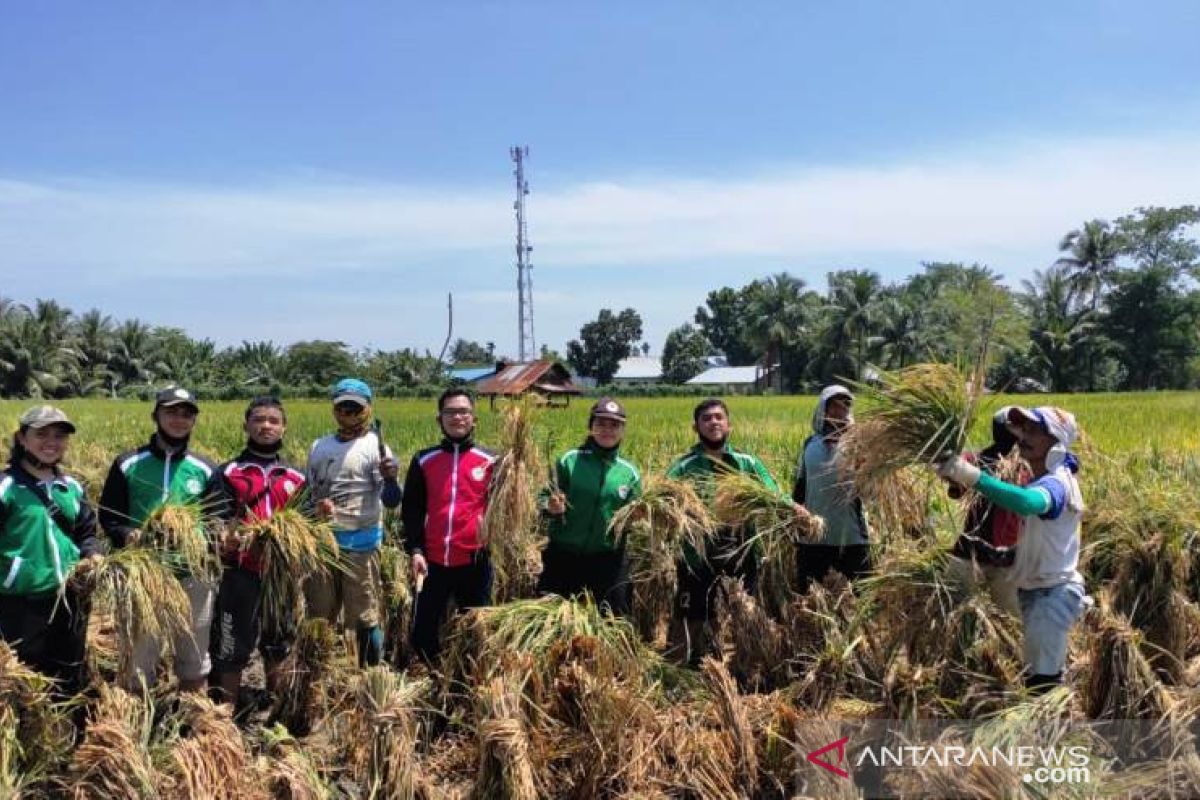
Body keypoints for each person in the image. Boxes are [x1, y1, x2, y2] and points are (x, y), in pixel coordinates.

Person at [936, 405, 1089, 693]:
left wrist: (974, 477)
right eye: (1024, 429)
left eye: (1035, 431)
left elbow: (1027, 503)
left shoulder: (1056, 483)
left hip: (1051, 597)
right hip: (1035, 592)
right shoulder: (1038, 475)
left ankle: (1053, 737)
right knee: (1035, 680)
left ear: (1056, 441)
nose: (1024, 437)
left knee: (1042, 687)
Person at [99, 386, 228, 692]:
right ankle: (134, 726)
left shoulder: (205, 468)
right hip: (143, 576)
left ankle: (195, 727)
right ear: (155, 415)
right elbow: (109, 516)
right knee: (138, 662)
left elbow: (217, 518)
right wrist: (128, 534)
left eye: (187, 414)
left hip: (192, 576)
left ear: (194, 421)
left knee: (195, 659)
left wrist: (205, 536)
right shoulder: (127, 463)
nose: (179, 419)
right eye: (171, 411)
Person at [666, 397, 798, 664]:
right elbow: (663, 497)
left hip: (739, 547)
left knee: (742, 608)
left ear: (729, 425)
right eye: (706, 418)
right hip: (697, 551)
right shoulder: (684, 467)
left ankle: (746, 665)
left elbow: (773, 494)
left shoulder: (746, 463)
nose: (713, 422)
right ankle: (693, 667)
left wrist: (797, 510)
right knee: (697, 613)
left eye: (718, 417)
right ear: (696, 427)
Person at [210, 396, 306, 707]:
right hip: (240, 572)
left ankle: (276, 708)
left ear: (284, 427)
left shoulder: (297, 476)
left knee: (279, 641)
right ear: (246, 425)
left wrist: (321, 515)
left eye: (274, 421)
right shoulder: (228, 472)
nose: (266, 425)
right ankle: (227, 710)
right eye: (259, 419)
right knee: (231, 644)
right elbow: (215, 517)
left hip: (280, 574)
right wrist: (227, 536)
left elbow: (307, 521)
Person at [0, 406, 100, 696]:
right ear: (21, 438)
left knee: (68, 676)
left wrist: (92, 554)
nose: (51, 442)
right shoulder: (6, 487)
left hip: (71, 598)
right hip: (21, 602)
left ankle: (66, 737)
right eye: (41, 434)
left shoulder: (71, 488)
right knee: (22, 680)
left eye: (59, 436)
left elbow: (86, 532)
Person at [304, 378, 401, 667]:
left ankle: (369, 673)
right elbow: (309, 495)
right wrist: (316, 512)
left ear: (368, 409)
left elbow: (393, 500)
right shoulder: (319, 446)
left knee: (363, 617)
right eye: (343, 406)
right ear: (334, 409)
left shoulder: (377, 448)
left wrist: (391, 477)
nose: (349, 412)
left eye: (355, 407)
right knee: (319, 616)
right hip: (323, 546)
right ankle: (319, 673)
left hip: (361, 545)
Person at [402, 388, 496, 663]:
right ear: (439, 419)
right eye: (450, 412)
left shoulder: (492, 461)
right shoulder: (423, 460)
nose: (458, 417)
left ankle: (466, 685)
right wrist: (416, 549)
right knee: (423, 633)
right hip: (432, 561)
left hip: (475, 560)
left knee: (475, 629)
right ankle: (432, 680)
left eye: (464, 412)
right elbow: (412, 509)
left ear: (474, 418)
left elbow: (507, 509)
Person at [538, 397, 641, 615]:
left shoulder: (629, 472)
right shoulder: (569, 460)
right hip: (564, 557)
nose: (607, 430)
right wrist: (550, 506)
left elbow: (635, 513)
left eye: (615, 425)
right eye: (601, 423)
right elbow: (543, 497)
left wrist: (639, 516)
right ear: (590, 427)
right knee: (553, 621)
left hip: (608, 559)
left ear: (623, 431)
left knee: (614, 622)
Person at [945, 406, 1027, 615]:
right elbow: (956, 487)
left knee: (1010, 617)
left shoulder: (1028, 466)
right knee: (954, 610)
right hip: (970, 550)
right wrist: (946, 465)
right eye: (1011, 425)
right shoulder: (977, 460)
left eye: (1020, 425)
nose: (1017, 430)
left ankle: (1004, 648)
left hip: (1008, 556)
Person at [792, 385, 871, 593]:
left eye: (845, 406)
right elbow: (800, 486)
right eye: (833, 406)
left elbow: (871, 490)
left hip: (851, 537)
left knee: (860, 598)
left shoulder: (859, 444)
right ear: (823, 411)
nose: (839, 411)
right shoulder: (810, 444)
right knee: (810, 599)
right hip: (813, 537)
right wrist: (796, 517)